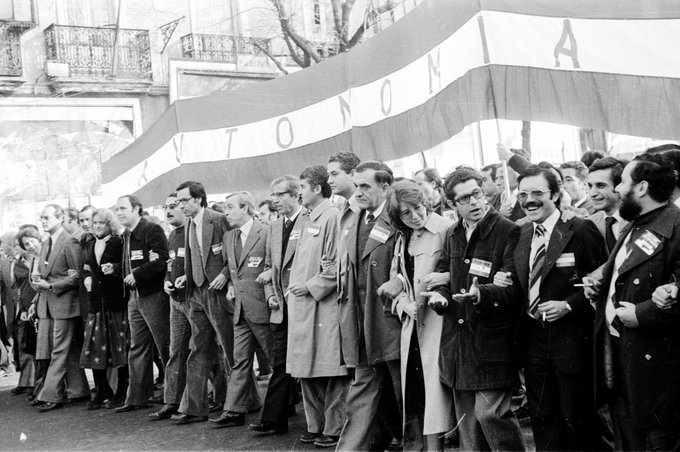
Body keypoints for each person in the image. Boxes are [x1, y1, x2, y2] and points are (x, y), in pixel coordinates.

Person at [492, 166, 608, 451]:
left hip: (571, 339)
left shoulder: (580, 229)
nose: (529, 200)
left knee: (576, 417)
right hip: (534, 339)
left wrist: (569, 305)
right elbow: (515, 281)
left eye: (537, 193)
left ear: (555, 195)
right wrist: (500, 279)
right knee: (543, 416)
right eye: (523, 194)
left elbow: (603, 283)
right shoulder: (519, 232)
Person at [422, 168, 526, 451]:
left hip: (492, 342)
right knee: (468, 426)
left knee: (490, 414)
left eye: (477, 193)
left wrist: (482, 292)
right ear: (453, 204)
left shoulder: (508, 230)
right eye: (464, 198)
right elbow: (446, 272)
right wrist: (440, 296)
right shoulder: (454, 233)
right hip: (458, 343)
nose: (474, 202)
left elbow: (515, 287)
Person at [593, 153, 680, 451]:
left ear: (641, 188)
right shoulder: (635, 224)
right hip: (621, 359)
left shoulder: (676, 227)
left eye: (623, 182)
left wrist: (643, 314)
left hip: (657, 371)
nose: (617, 189)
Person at [337, 161, 402, 451]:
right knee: (362, 391)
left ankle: (409, 442)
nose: (358, 192)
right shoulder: (356, 220)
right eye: (357, 186)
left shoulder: (399, 217)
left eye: (365, 186)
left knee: (402, 393)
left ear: (385, 187)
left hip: (390, 323)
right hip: (361, 322)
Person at [385, 179, 453, 450]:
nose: (415, 216)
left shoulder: (445, 229)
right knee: (418, 393)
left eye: (418, 208)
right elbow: (396, 279)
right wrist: (403, 304)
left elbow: (456, 272)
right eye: (406, 213)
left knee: (436, 395)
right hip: (412, 326)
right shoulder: (403, 237)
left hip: (438, 324)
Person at [286, 166, 349, 448]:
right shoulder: (306, 218)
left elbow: (336, 265)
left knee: (330, 370)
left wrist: (311, 286)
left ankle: (334, 428)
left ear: (316, 189)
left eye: (301, 186)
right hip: (301, 307)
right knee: (304, 369)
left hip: (322, 306)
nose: (298, 192)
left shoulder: (332, 217)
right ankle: (315, 425)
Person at [249, 175, 305, 435]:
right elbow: (269, 265)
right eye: (274, 195)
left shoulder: (309, 220)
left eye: (281, 194)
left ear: (296, 195)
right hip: (281, 306)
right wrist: (270, 293)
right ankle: (274, 418)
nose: (275, 199)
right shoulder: (274, 226)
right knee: (280, 361)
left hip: (305, 302)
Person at [211, 191, 273, 428]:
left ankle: (286, 402)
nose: (225, 212)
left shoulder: (266, 231)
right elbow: (230, 265)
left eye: (230, 207)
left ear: (246, 208)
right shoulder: (228, 236)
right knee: (239, 360)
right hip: (240, 310)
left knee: (274, 357)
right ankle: (233, 411)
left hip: (262, 307)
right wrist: (228, 282)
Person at [172, 181, 232, 425]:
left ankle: (243, 402)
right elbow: (193, 255)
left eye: (184, 200)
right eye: (179, 201)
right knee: (198, 348)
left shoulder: (218, 219)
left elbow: (236, 251)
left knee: (230, 348)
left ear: (198, 199)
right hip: (195, 292)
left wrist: (225, 275)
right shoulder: (188, 223)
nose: (180, 205)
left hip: (216, 293)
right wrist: (187, 275)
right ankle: (194, 407)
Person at [114, 195, 170, 413]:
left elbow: (162, 259)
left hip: (153, 295)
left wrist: (137, 274)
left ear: (137, 209)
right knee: (138, 347)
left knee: (164, 344)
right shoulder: (126, 234)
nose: (119, 213)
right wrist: (118, 269)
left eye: (123, 208)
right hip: (135, 297)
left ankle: (173, 396)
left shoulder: (151, 229)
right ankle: (136, 397)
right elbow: (132, 262)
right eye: (117, 209)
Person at [31, 204, 90, 411]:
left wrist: (51, 286)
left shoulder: (69, 241)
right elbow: (46, 272)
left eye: (46, 217)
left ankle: (52, 394)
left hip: (65, 304)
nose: (43, 221)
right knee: (69, 349)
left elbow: (76, 276)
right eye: (41, 218)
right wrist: (38, 278)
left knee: (60, 349)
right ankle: (78, 389)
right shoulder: (47, 242)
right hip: (50, 304)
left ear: (59, 218)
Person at [79, 208, 129, 410]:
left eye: (102, 223)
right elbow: (85, 268)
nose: (98, 226)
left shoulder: (118, 242)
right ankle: (101, 390)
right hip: (96, 302)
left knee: (119, 348)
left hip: (114, 301)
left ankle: (121, 391)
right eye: (95, 222)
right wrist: (89, 278)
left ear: (110, 224)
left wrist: (115, 269)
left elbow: (124, 265)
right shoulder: (89, 243)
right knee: (94, 347)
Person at [6, 228, 37, 395]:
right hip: (21, 310)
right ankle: (28, 381)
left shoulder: (36, 259)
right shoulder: (14, 262)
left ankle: (35, 383)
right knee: (24, 345)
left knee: (33, 346)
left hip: (34, 307)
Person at [585, 157, 628, 255]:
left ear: (620, 186)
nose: (592, 193)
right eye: (590, 186)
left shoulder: (638, 220)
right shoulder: (590, 224)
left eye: (601, 186)